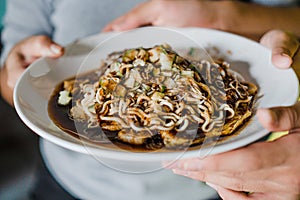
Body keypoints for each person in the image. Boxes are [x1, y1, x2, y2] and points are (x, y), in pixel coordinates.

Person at [0, 0, 299, 199]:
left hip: (218, 186)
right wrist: (20, 76)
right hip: (69, 183)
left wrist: (226, 15)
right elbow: (13, 70)